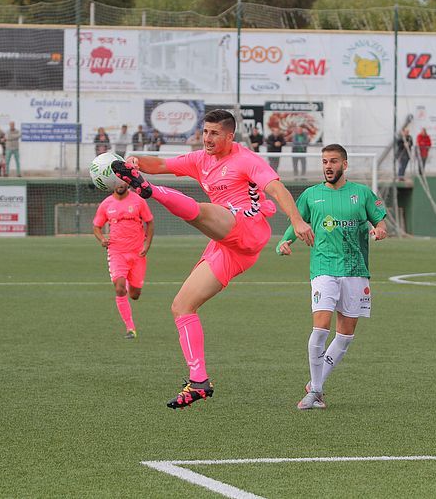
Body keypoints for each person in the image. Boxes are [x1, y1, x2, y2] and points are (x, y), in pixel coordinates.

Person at [110, 109, 313, 409]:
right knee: (182, 306)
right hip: (226, 245)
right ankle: (199, 381)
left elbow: (276, 188)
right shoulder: (200, 160)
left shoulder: (246, 160)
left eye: (215, 133)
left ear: (230, 136)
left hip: (249, 228)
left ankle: (149, 191)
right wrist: (136, 163)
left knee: (204, 211)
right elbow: (162, 163)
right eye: (205, 132)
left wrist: (296, 220)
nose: (207, 138)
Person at [276, 144, 387, 410]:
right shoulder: (311, 195)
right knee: (320, 328)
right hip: (323, 269)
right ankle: (315, 390)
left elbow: (380, 221)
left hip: (355, 270)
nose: (328, 166)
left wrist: (380, 230)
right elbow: (297, 221)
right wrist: (284, 240)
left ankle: (315, 386)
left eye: (333, 161)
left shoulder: (361, 194)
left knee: (345, 335)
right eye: (325, 161)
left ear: (344, 165)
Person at [93, 182, 154, 339]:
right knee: (120, 289)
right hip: (116, 252)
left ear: (127, 183)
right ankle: (130, 328)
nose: (120, 184)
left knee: (134, 295)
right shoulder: (106, 204)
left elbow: (150, 222)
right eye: (117, 182)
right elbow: (96, 227)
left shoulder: (139, 201)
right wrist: (101, 239)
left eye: (123, 182)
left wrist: (147, 244)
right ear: (112, 184)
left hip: (137, 253)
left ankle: (128, 282)